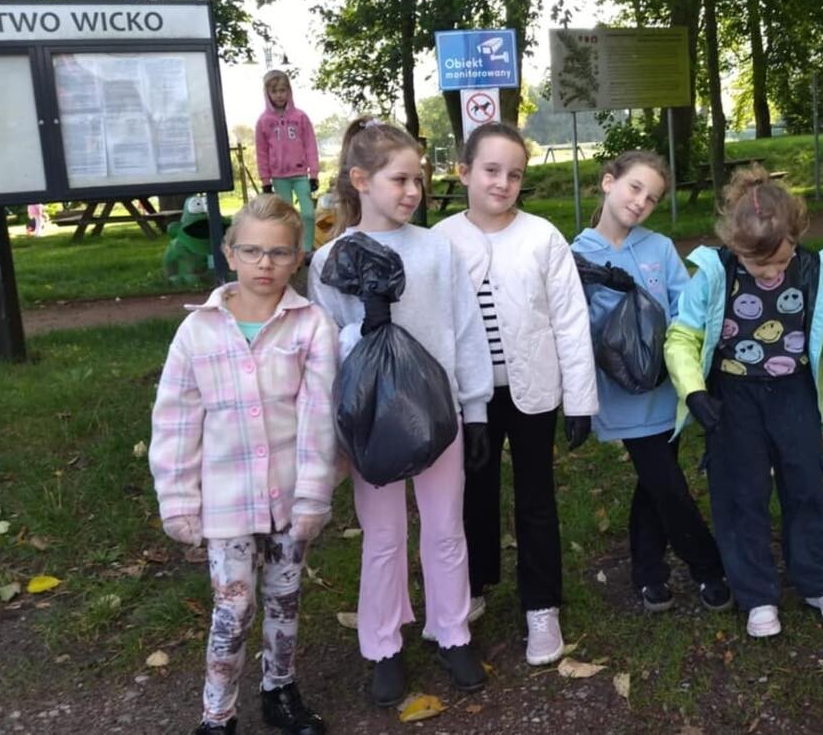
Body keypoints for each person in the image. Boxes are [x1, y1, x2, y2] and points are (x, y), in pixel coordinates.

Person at [308, 119, 495, 706]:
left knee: (445, 528)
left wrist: (476, 409)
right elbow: (325, 348)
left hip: (437, 414)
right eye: (400, 180)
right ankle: (382, 644)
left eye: (419, 180)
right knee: (383, 535)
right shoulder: (330, 261)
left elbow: (465, 331)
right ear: (361, 180)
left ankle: (452, 630)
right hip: (372, 421)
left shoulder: (437, 249)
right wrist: (364, 327)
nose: (413, 191)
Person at [665, 167, 823, 638]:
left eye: (779, 261)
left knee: (806, 486)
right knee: (741, 494)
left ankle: (818, 581)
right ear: (733, 245)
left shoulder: (810, 270)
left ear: (796, 237)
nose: (770, 273)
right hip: (734, 397)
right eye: (756, 264)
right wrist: (695, 391)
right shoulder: (714, 274)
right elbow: (683, 336)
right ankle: (757, 594)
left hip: (793, 393)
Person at [149, 194, 336, 735]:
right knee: (233, 608)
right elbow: (176, 421)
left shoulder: (311, 326)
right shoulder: (198, 331)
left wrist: (313, 495)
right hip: (225, 501)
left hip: (289, 496)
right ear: (230, 253)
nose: (264, 264)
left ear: (297, 258)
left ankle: (280, 691)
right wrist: (179, 500)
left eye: (278, 253)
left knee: (284, 598)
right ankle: (217, 714)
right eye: (251, 251)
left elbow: (319, 416)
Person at [432, 122, 598, 666]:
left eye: (515, 174)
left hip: (534, 392)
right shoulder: (441, 241)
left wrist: (580, 400)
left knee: (535, 498)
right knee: (471, 493)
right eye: (491, 170)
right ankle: (473, 584)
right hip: (468, 399)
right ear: (463, 172)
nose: (502, 183)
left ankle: (542, 605)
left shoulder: (542, 237)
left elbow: (570, 320)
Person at [570, 150, 732, 614]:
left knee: (655, 483)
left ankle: (649, 574)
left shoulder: (659, 248)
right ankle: (708, 566)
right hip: (621, 391)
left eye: (653, 198)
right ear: (609, 182)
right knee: (666, 482)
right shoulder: (574, 255)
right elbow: (571, 328)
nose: (640, 202)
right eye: (634, 187)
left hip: (666, 387)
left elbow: (684, 306)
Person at [256, 69, 320, 256]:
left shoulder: (300, 117)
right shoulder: (263, 121)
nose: (279, 95)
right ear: (267, 94)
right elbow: (261, 152)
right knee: (286, 217)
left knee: (308, 213)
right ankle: (290, 249)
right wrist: (265, 180)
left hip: (300, 175)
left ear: (289, 91)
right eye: (274, 91)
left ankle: (307, 250)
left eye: (283, 90)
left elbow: (310, 145)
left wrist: (314, 174)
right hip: (279, 177)